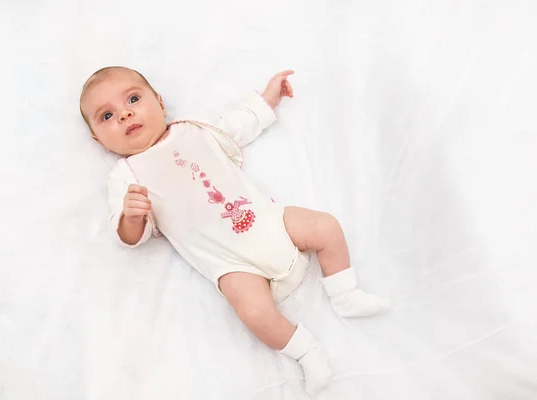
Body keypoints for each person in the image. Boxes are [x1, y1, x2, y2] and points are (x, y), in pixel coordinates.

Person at [79, 66, 390, 396]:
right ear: (99, 140)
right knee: (253, 313)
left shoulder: (193, 130)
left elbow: (238, 124)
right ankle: (307, 352)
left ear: (159, 102)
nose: (125, 114)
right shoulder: (125, 176)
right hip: (230, 264)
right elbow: (128, 237)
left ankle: (344, 294)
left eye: (133, 99)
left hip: (271, 224)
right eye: (107, 115)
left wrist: (269, 97)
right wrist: (131, 216)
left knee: (324, 226)